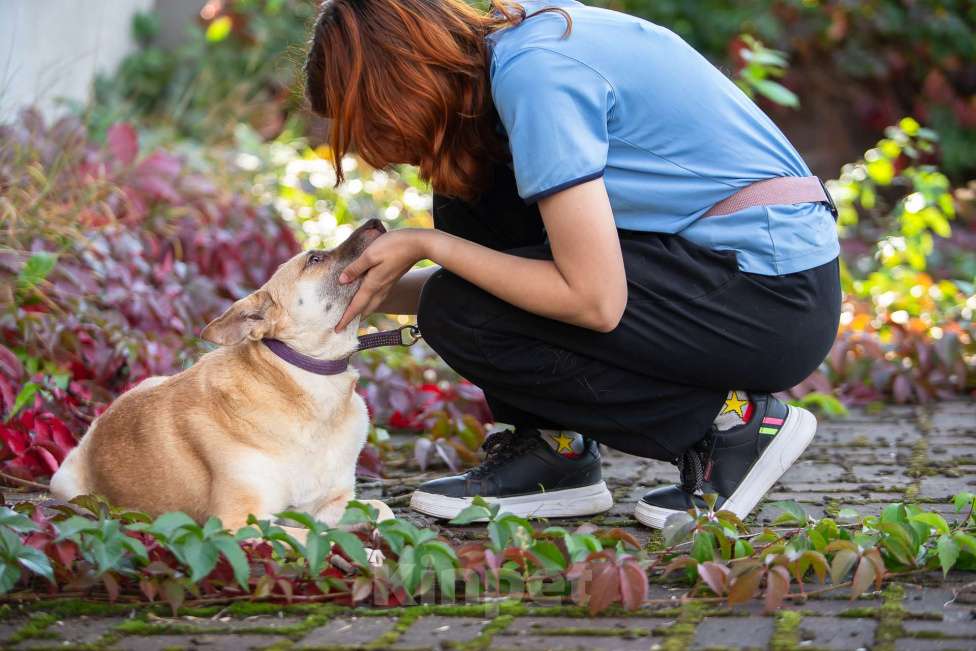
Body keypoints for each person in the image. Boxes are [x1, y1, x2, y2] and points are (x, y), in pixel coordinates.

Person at [303, 0, 841, 528]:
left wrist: (431, 246)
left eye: (366, 120)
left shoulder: (536, 74)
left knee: (458, 298)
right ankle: (554, 451)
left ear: (395, 82)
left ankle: (733, 428)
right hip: (720, 272)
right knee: (467, 193)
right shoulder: (509, 49)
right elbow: (504, 283)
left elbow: (592, 300)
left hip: (771, 295)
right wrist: (338, 291)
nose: (370, 145)